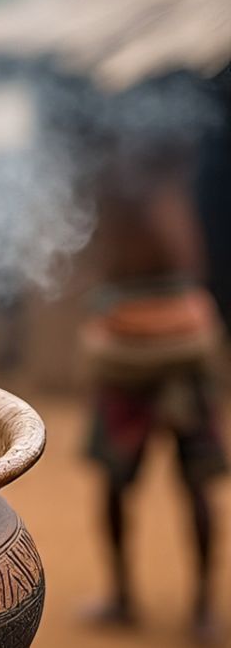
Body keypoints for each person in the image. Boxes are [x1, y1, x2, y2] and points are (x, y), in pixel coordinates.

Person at [82, 116, 226, 642]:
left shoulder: (167, 171)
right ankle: (122, 596)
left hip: (178, 353)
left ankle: (204, 607)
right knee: (115, 483)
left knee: (194, 483)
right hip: (124, 357)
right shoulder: (104, 182)